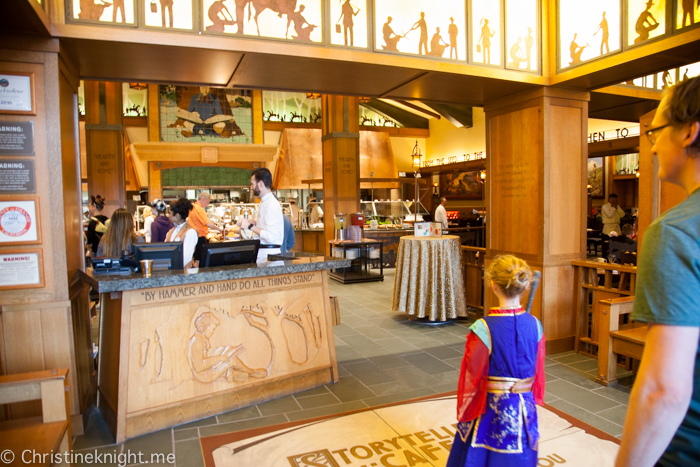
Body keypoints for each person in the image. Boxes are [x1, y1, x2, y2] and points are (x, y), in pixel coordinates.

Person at [615, 76, 700, 467]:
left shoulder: (676, 232)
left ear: (689, 131)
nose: (651, 145)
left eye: (655, 131)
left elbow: (664, 389)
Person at [447, 255, 545, 467]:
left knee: (483, 454)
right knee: (520, 456)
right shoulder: (536, 324)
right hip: (524, 406)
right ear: (525, 285)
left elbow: (473, 372)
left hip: (492, 407)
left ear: (492, 285)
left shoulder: (483, 327)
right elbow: (537, 368)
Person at [237, 168, 284, 262]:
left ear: (261, 184)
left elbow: (271, 236)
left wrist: (250, 226)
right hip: (264, 253)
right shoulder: (264, 202)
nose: (251, 187)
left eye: (252, 184)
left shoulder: (272, 205)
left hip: (269, 255)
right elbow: (266, 226)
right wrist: (254, 222)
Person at [188, 193, 224, 264]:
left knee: (196, 258)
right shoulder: (199, 209)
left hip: (194, 237)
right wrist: (219, 229)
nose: (208, 204)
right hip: (200, 237)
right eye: (208, 202)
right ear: (203, 200)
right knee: (200, 260)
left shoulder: (193, 207)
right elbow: (208, 224)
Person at [165, 198, 198, 269]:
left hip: (184, 273)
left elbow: (186, 258)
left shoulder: (190, 232)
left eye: (170, 213)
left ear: (177, 215)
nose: (168, 215)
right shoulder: (171, 231)